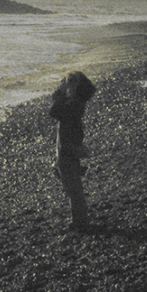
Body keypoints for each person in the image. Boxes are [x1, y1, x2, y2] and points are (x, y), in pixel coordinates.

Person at [49, 71, 96, 232]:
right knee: (73, 186)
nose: (66, 84)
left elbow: (54, 112)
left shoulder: (73, 105)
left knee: (73, 188)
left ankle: (80, 222)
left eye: (70, 83)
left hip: (67, 150)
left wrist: (59, 94)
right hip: (69, 149)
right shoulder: (76, 104)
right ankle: (80, 220)